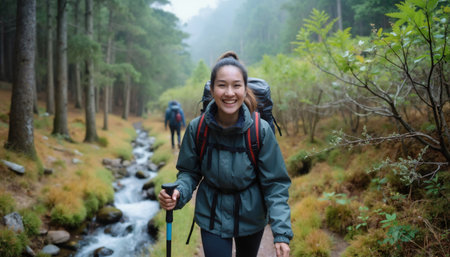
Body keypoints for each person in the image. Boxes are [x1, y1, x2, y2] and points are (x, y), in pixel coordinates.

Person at [158, 51, 292, 257]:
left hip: (251, 216)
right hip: (212, 215)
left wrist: (281, 233)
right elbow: (188, 173)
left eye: (236, 85)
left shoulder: (260, 130)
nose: (229, 92)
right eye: (222, 85)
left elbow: (275, 184)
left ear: (245, 89)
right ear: (212, 89)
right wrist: (179, 193)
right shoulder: (197, 128)